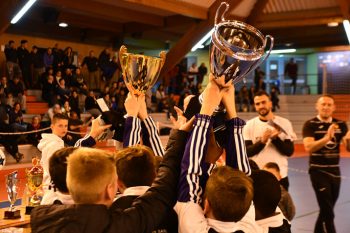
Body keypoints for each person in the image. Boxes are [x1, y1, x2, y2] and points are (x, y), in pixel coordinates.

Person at [30, 107, 192, 232]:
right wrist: (179, 135)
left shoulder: (40, 220)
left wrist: (90, 138)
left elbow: (67, 160)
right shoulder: (118, 222)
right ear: (110, 190)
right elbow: (163, 186)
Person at [175, 75, 260, 233]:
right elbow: (242, 178)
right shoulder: (251, 228)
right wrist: (224, 110)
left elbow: (190, 172)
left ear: (206, 205)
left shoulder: (195, 229)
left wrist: (216, 106)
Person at [37, 113, 111, 204]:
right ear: (52, 126)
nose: (64, 128)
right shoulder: (53, 145)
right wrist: (92, 135)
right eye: (60, 126)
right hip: (56, 193)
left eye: (65, 126)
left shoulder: (55, 142)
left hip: (55, 190)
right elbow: (72, 158)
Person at [302, 95, 350, 233]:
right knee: (328, 212)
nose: (326, 107)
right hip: (318, 171)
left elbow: (348, 148)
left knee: (326, 209)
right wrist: (327, 138)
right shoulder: (310, 124)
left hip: (335, 172)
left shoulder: (340, 125)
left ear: (334, 107)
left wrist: (349, 138)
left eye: (329, 104)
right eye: (323, 104)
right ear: (317, 106)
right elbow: (309, 147)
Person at [243, 91, 296, 191]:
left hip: (280, 176)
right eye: (257, 104)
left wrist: (275, 139)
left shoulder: (285, 123)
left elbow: (289, 151)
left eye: (264, 102)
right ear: (255, 106)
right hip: (258, 176)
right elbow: (247, 152)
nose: (261, 106)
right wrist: (262, 141)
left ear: (270, 103)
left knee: (281, 206)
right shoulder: (249, 125)